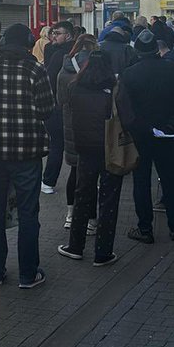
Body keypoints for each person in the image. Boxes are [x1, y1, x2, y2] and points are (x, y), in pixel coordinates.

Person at [0, 22, 55, 289]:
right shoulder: (35, 69)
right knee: (28, 214)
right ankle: (27, 274)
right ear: (29, 44)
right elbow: (46, 109)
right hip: (27, 154)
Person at [117, 29, 174, 243]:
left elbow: (126, 109)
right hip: (169, 135)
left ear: (137, 51)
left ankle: (145, 228)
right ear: (156, 50)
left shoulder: (129, 74)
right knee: (171, 181)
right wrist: (173, 125)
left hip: (141, 137)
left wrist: (141, 127)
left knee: (141, 182)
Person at [58, 52, 127, 266]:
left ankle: (75, 246)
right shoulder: (116, 90)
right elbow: (127, 117)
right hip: (110, 150)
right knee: (109, 200)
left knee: (82, 196)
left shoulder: (74, 87)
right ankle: (103, 252)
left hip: (85, 149)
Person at [57, 34, 99, 231]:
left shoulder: (63, 71)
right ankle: (91, 220)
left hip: (70, 125)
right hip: (94, 126)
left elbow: (61, 101)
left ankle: (70, 215)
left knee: (74, 171)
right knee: (91, 175)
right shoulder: (99, 68)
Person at [41, 21, 75, 192]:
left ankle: (48, 181)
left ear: (68, 35)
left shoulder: (59, 55)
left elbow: (48, 80)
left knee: (56, 145)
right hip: (76, 107)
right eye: (52, 33)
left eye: (57, 33)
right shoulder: (75, 52)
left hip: (58, 106)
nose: (53, 36)